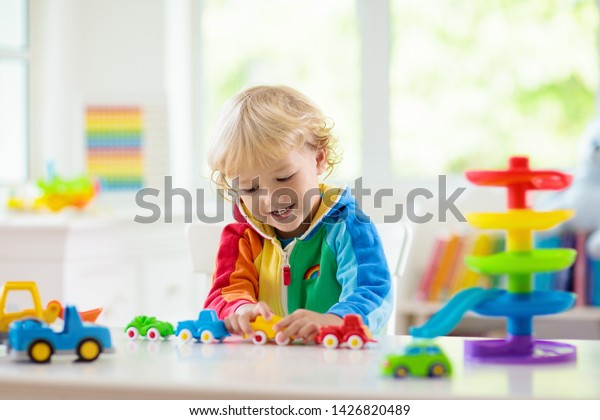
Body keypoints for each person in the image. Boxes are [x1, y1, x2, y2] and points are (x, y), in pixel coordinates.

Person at [204, 85, 392, 343]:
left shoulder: (347, 225)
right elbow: (221, 297)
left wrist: (335, 321)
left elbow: (372, 293)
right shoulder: (242, 237)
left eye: (284, 177)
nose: (271, 198)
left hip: (340, 366)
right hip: (267, 370)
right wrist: (240, 311)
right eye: (250, 188)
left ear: (318, 160)